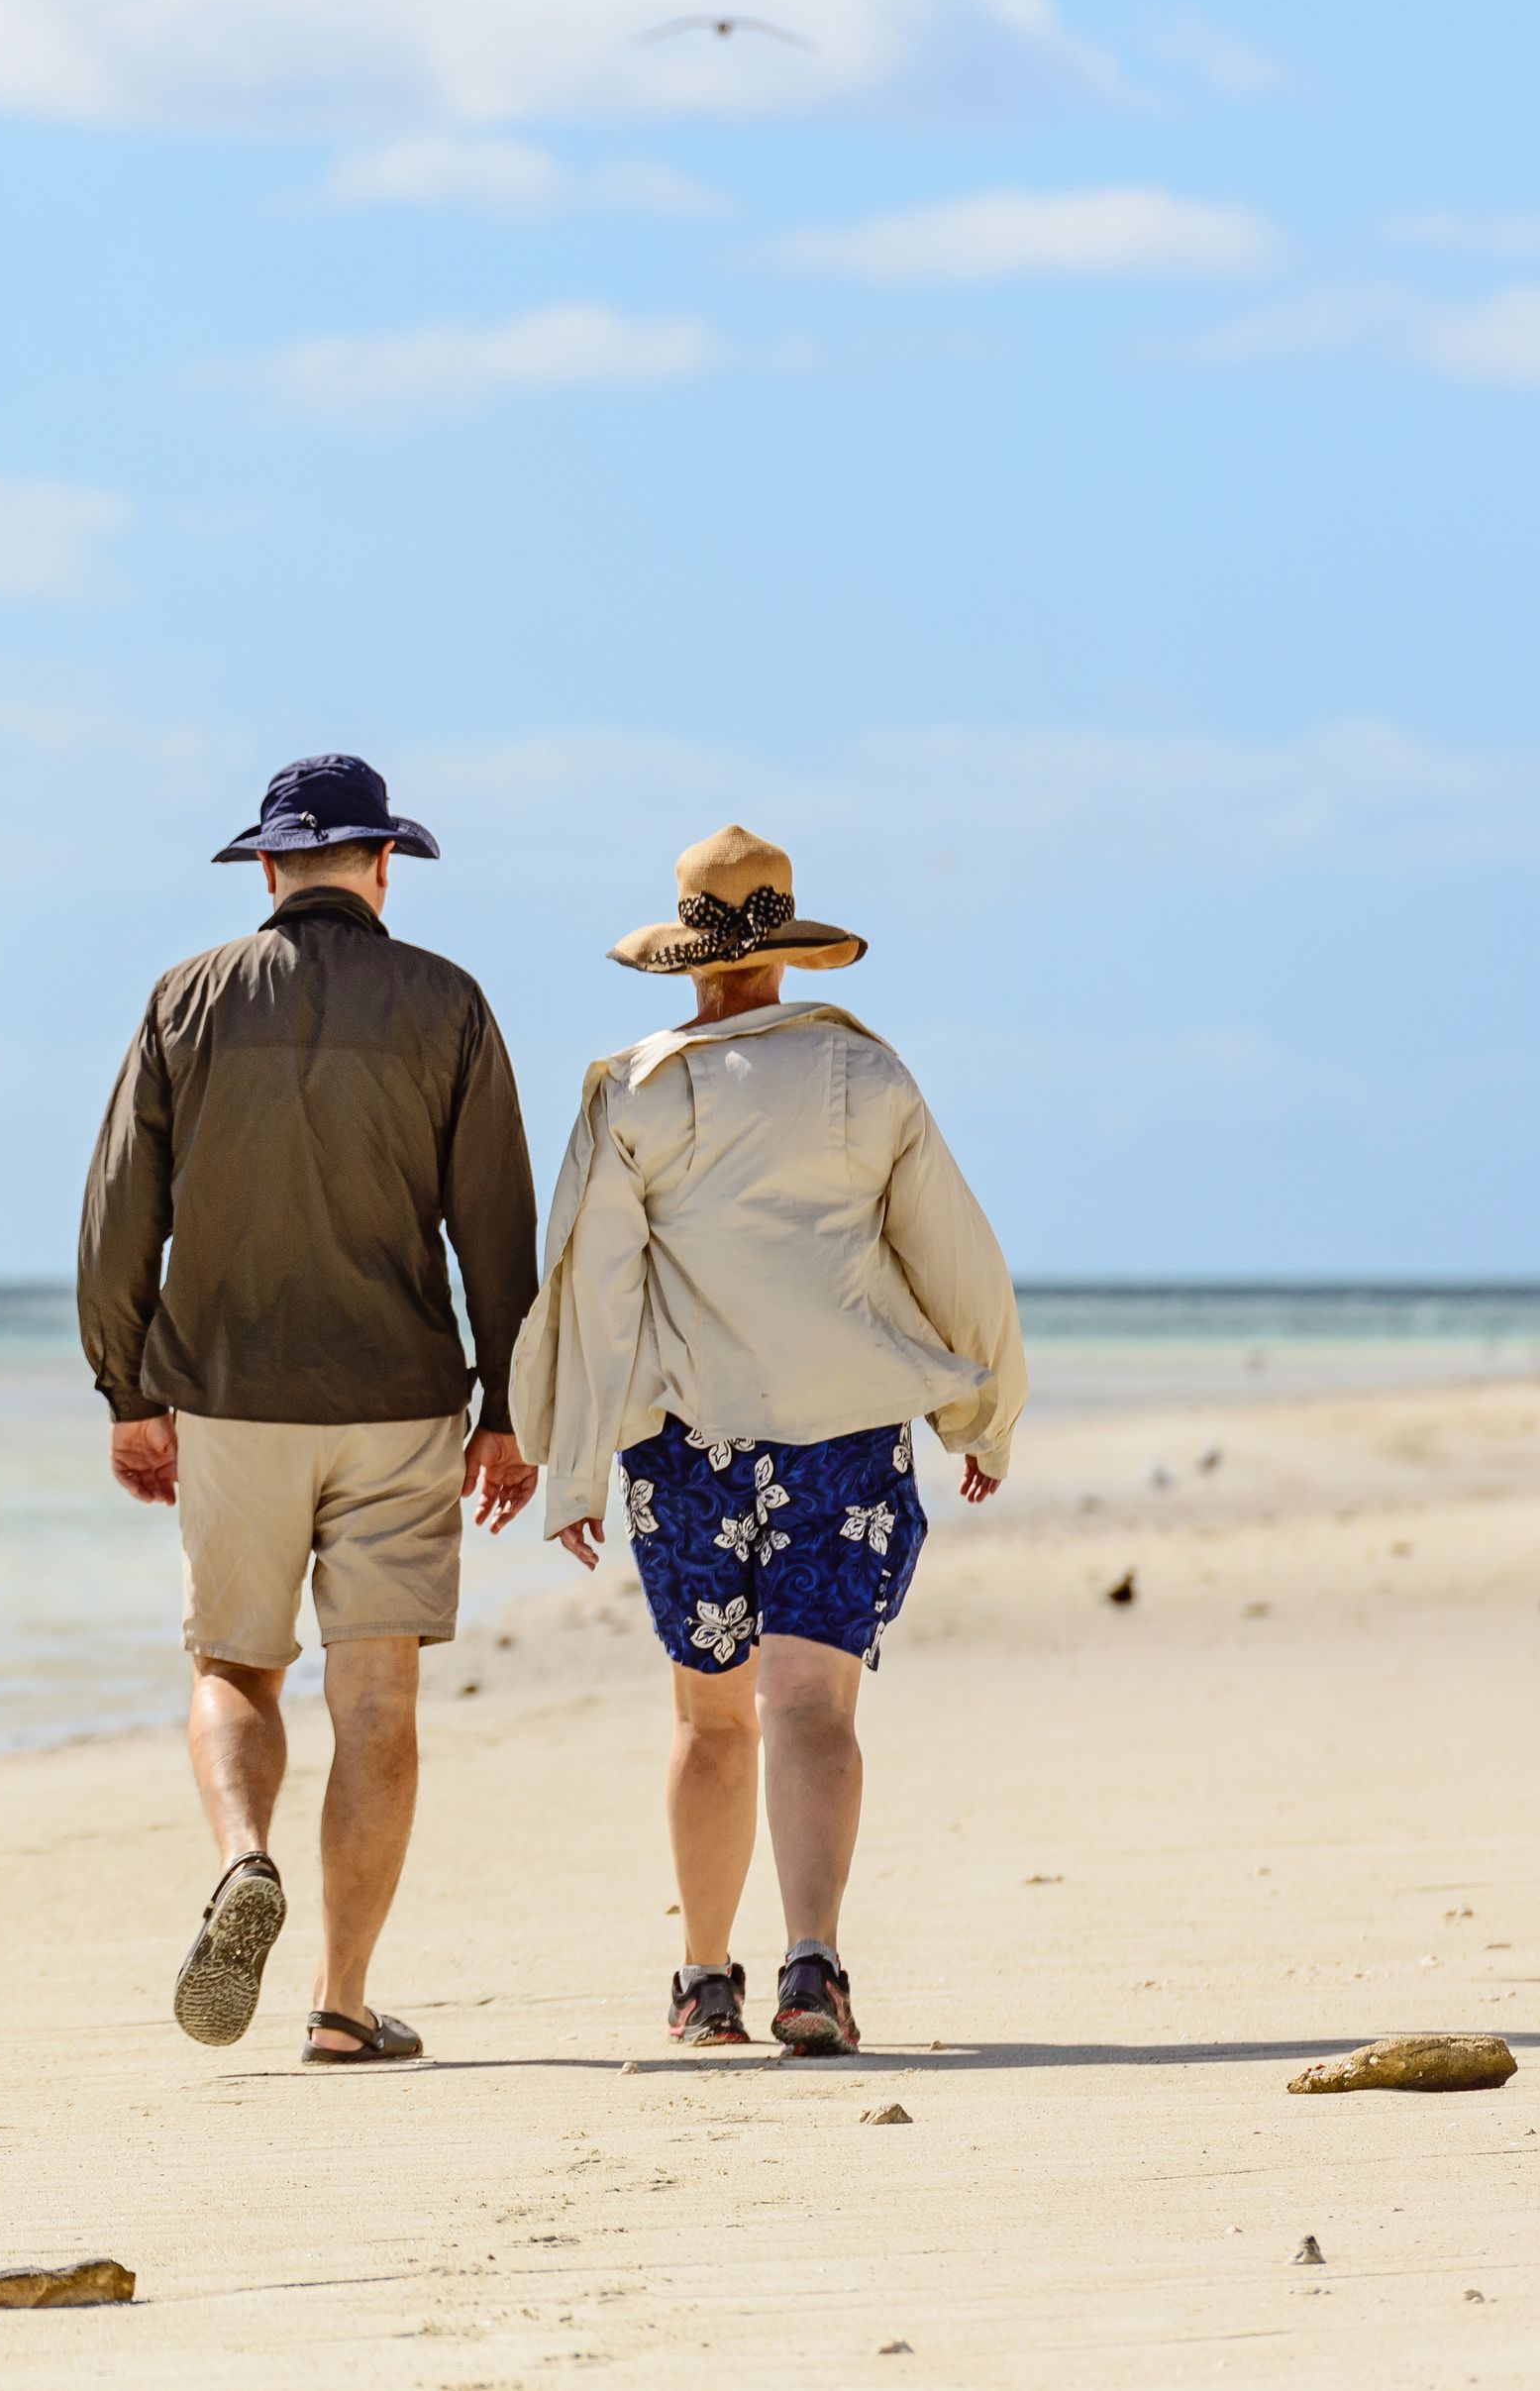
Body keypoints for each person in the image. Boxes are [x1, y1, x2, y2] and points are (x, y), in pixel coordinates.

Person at [508, 826, 1024, 2057]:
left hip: (691, 1443)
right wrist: (983, 1408)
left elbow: (597, 1294)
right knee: (812, 1707)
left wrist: (574, 1467)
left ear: (687, 960)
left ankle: (702, 1982)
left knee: (711, 1720)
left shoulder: (634, 1090)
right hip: (844, 1433)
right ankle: (813, 1966)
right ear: (786, 950)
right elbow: (952, 1252)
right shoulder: (869, 1076)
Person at [78, 754, 540, 2064]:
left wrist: (128, 1390)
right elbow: (495, 1227)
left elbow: (120, 1216)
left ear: (271, 867)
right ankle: (342, 2005)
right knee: (377, 1697)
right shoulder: (449, 1000)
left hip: (230, 1397)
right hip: (399, 1401)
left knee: (234, 1666)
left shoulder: (184, 997)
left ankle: (244, 1856)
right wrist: (509, 1406)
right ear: (384, 864)